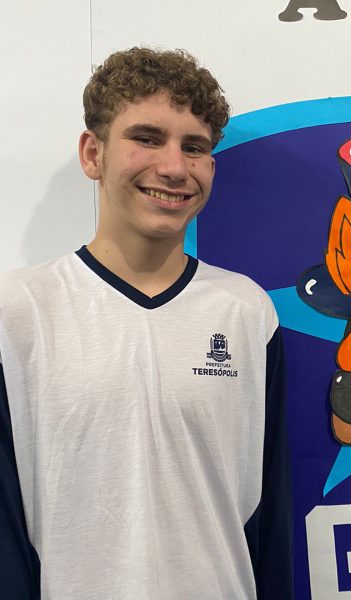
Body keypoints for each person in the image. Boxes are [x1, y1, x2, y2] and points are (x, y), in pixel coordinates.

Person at [0, 47, 293, 599]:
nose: (175, 167)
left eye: (194, 147)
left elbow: (269, 514)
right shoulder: (18, 311)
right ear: (93, 154)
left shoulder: (246, 311)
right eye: (147, 138)